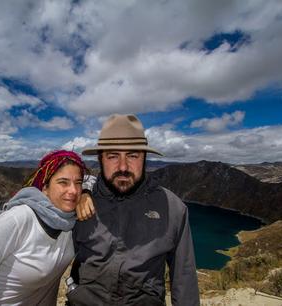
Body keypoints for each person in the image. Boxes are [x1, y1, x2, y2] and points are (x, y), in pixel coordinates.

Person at [68, 114, 200, 306]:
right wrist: (85, 190)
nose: (123, 166)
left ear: (144, 158)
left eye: (133, 155)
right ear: (100, 159)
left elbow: (184, 278)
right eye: (113, 156)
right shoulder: (79, 201)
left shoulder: (172, 208)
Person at [0, 150, 87, 305]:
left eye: (78, 183)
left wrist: (87, 193)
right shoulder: (18, 219)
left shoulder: (71, 221)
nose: (73, 190)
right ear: (45, 188)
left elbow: (102, 182)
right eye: (63, 182)